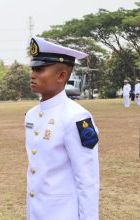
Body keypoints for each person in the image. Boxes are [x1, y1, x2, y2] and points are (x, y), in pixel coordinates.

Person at [25, 36, 100, 220]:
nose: (33, 74)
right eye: (33, 68)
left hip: (62, 213)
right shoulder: (32, 115)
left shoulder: (76, 118)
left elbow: (87, 180)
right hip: (38, 211)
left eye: (40, 69)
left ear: (61, 76)